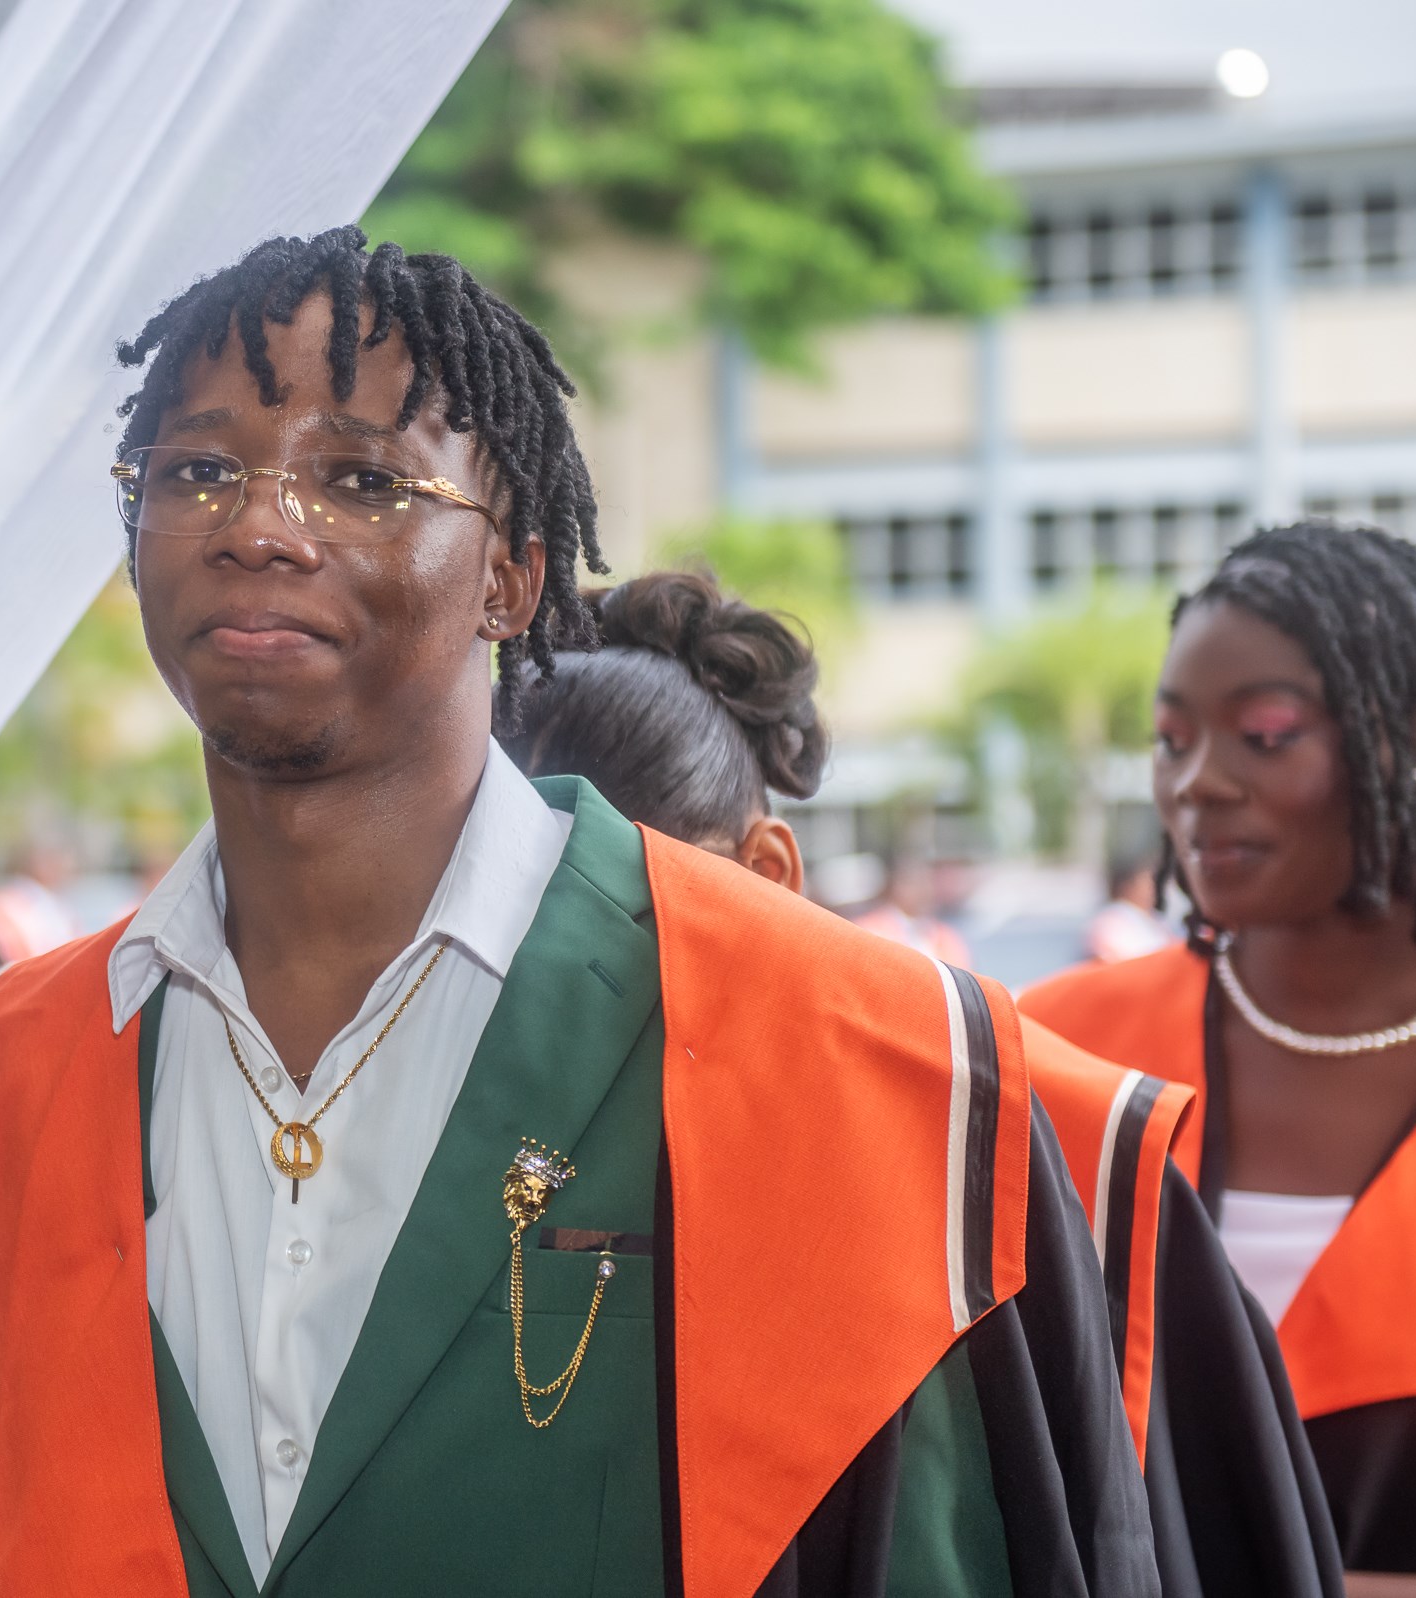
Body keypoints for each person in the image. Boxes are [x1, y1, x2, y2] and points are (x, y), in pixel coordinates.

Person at [0, 228, 1159, 1597]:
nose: (258, 526)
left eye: (361, 478)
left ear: (510, 575)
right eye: (198, 471)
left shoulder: (861, 1051)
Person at [509, 568, 1343, 1598]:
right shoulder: (442, 1151)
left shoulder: (1019, 1134)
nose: (546, 976)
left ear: (767, 876)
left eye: (615, 917)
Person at [1020, 521, 1416, 1589]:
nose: (1198, 782)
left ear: (1408, 736)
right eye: (1170, 739)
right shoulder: (1050, 1051)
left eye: (1263, 734)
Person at [856, 853, 973, 965]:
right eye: (915, 882)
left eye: (927, 882)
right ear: (894, 885)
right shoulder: (870, 931)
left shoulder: (945, 935)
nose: (923, 890)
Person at [1088, 854, 1179, 965]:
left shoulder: (1155, 918)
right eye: (1147, 882)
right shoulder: (1110, 921)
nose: (1153, 888)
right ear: (1127, 886)